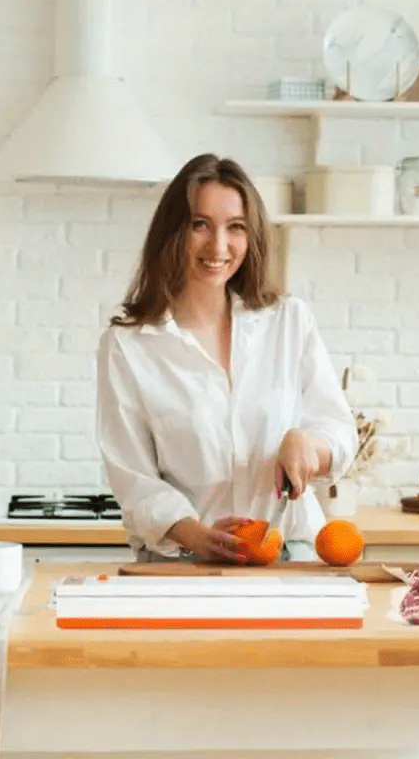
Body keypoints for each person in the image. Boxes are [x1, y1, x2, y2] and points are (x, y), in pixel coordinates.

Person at [96, 153, 358, 564]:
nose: (218, 246)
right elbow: (133, 477)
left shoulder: (288, 321)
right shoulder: (128, 346)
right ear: (172, 232)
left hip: (287, 554)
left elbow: (340, 432)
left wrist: (307, 443)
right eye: (200, 225)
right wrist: (196, 535)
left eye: (235, 228)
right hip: (182, 563)